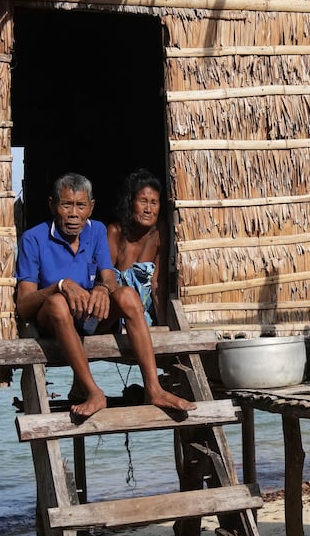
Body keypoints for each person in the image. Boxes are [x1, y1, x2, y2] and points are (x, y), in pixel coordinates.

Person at [15, 172, 195, 418]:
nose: (73, 214)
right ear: (52, 205)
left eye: (80, 206)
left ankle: (153, 388)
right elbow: (24, 305)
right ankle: (93, 391)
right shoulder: (33, 239)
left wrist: (102, 287)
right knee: (58, 303)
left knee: (128, 296)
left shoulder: (96, 230)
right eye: (66, 205)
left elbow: (108, 276)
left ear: (91, 207)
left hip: (89, 318)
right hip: (54, 323)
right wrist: (59, 285)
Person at [106, 169, 167, 327]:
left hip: (144, 315)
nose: (148, 209)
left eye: (154, 202)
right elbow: (106, 280)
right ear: (131, 202)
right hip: (117, 312)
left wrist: (164, 328)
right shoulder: (115, 232)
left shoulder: (159, 232)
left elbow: (157, 283)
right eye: (143, 201)